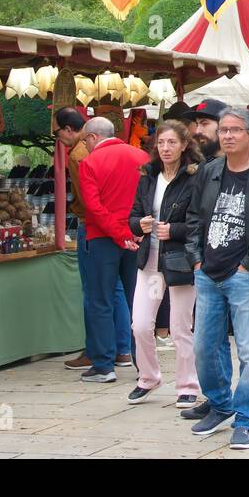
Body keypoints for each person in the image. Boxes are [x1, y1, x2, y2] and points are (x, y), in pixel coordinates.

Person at [184, 107, 249, 450]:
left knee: (248, 352)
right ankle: (220, 404)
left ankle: (244, 419)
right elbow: (192, 217)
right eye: (224, 130)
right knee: (204, 348)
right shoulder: (210, 171)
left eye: (234, 130)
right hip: (208, 273)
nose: (227, 136)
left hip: (244, 276)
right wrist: (197, 258)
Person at [127, 119, 201, 407]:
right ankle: (148, 377)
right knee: (141, 324)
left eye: (172, 142)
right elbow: (133, 215)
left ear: (184, 145)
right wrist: (140, 224)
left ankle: (187, 385)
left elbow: (200, 222)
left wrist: (175, 230)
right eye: (161, 142)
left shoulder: (195, 177)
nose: (166, 148)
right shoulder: (148, 175)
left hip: (181, 260)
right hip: (151, 260)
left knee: (180, 326)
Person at [56, 108, 132, 372]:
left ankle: (99, 356)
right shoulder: (136, 155)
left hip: (97, 228)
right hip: (123, 229)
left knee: (97, 294)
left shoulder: (81, 157)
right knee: (117, 290)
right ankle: (123, 349)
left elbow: (91, 200)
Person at [77, 116, 151, 383]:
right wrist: (134, 232)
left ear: (94, 137)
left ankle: (103, 365)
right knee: (137, 301)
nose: (84, 144)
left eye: (85, 139)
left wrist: (119, 234)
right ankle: (142, 363)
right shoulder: (142, 157)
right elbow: (151, 199)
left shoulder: (90, 163)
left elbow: (94, 207)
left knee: (100, 301)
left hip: (102, 239)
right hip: (137, 237)